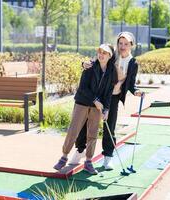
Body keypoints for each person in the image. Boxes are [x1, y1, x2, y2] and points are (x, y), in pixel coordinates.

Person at [69, 32, 144, 170]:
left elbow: (131, 84)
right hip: (98, 94)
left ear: (131, 45)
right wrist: (84, 64)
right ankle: (80, 150)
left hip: (113, 97)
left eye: (126, 44)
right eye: (120, 43)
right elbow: (95, 62)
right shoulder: (112, 55)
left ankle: (108, 157)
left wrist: (137, 91)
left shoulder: (133, 63)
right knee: (85, 123)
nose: (122, 46)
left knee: (110, 126)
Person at [53, 44, 118, 175]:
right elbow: (82, 88)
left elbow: (109, 93)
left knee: (92, 134)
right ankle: (64, 157)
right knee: (73, 130)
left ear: (110, 56)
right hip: (82, 103)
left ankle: (88, 162)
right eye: (100, 52)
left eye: (104, 53)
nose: (101, 55)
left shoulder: (112, 72)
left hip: (96, 108)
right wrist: (95, 100)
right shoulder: (89, 67)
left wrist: (106, 109)